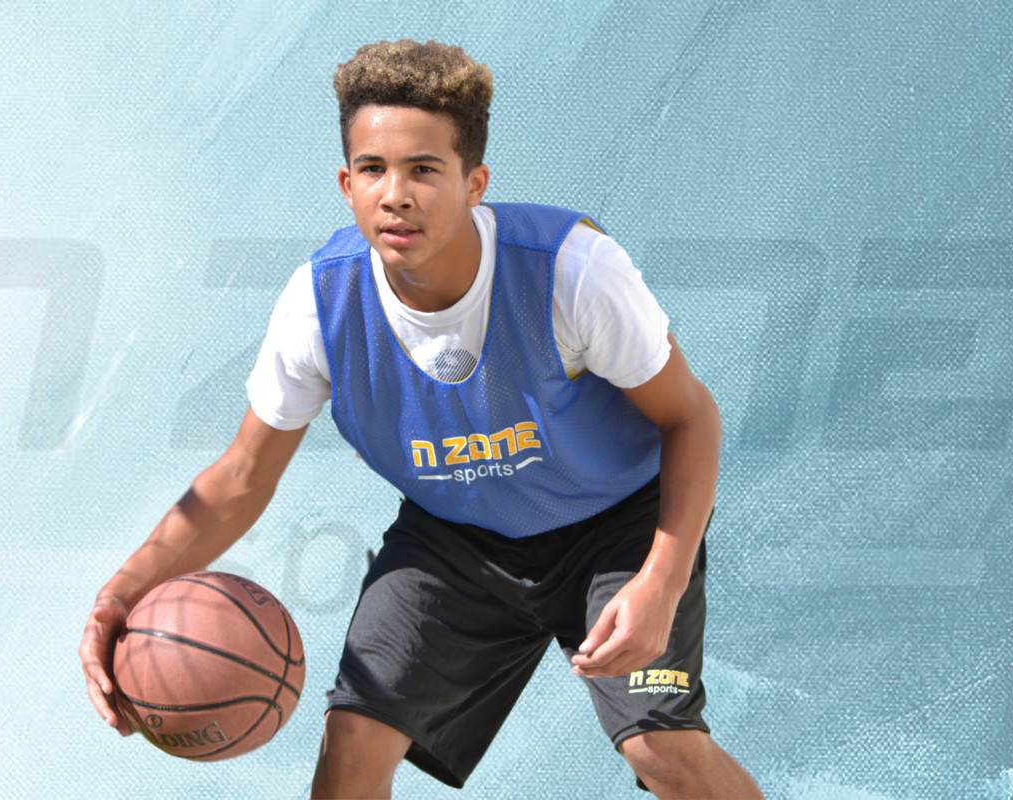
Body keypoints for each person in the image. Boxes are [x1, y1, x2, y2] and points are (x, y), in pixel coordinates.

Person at [79, 39, 763, 799]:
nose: (395, 194)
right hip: (456, 542)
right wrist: (121, 593)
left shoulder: (570, 270)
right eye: (373, 169)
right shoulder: (319, 305)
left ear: (475, 183)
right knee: (352, 747)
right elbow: (241, 476)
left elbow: (691, 418)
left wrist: (662, 582)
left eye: (424, 170)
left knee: (660, 747)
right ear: (346, 185)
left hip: (618, 529)